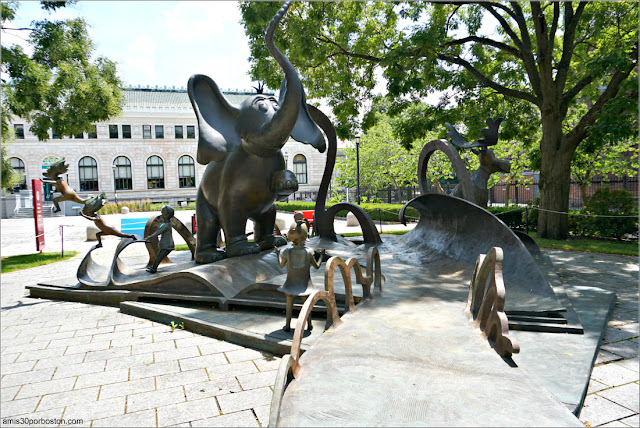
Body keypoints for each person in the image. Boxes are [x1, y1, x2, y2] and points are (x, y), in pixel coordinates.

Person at [274, 213, 325, 332]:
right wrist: (321, 256)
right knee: (306, 306)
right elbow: (317, 267)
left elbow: (281, 265)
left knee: (289, 305)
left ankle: (287, 325)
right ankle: (309, 324)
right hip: (304, 285)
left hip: (290, 284)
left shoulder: (287, 252)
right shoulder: (309, 252)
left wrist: (277, 255)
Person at [144, 205, 175, 273]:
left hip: (167, 246)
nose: (161, 213)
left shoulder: (166, 225)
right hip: (167, 245)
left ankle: (154, 269)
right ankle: (153, 267)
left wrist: (149, 237)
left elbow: (158, 232)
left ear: (166, 215)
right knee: (158, 257)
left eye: (162, 212)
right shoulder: (167, 224)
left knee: (158, 257)